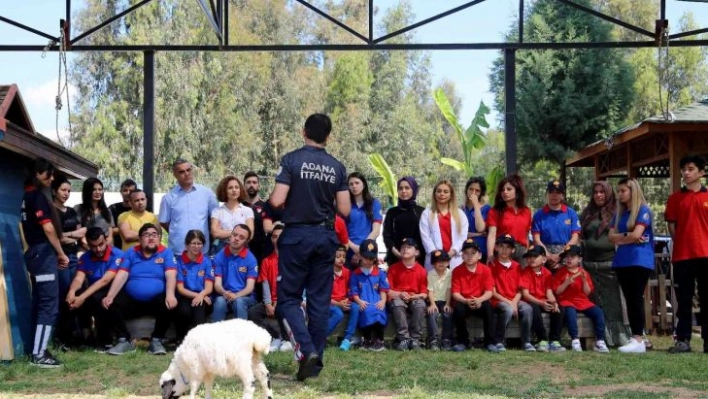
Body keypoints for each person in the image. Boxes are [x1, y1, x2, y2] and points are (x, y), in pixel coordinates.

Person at [268, 113, 350, 381]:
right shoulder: (337, 167)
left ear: (304, 132)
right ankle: (314, 363)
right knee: (318, 302)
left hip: (296, 236)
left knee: (288, 299)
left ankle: (305, 352)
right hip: (325, 238)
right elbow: (345, 208)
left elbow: (278, 199)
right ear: (328, 136)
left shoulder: (292, 160)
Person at [20, 157, 69, 367]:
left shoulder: (26, 196)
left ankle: (37, 349)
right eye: (47, 175)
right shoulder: (37, 197)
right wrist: (60, 253)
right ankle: (39, 355)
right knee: (49, 304)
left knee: (41, 303)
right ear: (37, 174)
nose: (50, 179)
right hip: (43, 253)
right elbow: (48, 228)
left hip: (34, 253)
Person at [101, 223, 177, 356]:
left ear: (159, 238)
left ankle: (156, 341)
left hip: (156, 302)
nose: (151, 238)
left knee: (168, 301)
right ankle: (124, 341)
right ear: (140, 238)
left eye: (154, 235)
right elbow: (122, 274)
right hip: (133, 302)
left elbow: (170, 275)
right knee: (111, 302)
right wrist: (110, 295)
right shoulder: (131, 252)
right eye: (147, 235)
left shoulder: (166, 252)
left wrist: (170, 295)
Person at [579, 181, 631, 348]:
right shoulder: (586, 213)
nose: (599, 195)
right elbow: (581, 236)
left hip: (611, 266)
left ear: (609, 194)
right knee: (594, 303)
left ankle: (618, 337)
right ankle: (597, 337)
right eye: (595, 192)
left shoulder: (618, 212)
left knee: (614, 304)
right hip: (589, 266)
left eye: (602, 192)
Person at [665, 155, 708, 354]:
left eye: (691, 169)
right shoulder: (675, 199)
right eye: (683, 169)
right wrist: (682, 242)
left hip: (706, 255)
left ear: (701, 172)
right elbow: (672, 226)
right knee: (683, 299)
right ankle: (683, 340)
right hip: (682, 256)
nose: (686, 173)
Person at [608, 178, 654, 354]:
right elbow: (611, 237)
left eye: (622, 191)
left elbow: (637, 235)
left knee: (636, 297)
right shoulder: (619, 213)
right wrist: (627, 235)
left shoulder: (643, 210)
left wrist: (624, 237)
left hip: (639, 260)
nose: (619, 194)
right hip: (622, 261)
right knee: (629, 298)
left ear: (632, 191)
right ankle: (635, 337)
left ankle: (637, 338)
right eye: (618, 191)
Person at [66, 227, 123, 351]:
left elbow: (105, 280)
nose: (98, 249)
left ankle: (105, 340)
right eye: (93, 246)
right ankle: (83, 336)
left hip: (115, 292)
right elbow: (78, 279)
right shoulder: (85, 257)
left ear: (106, 240)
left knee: (96, 298)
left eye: (101, 244)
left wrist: (81, 298)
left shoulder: (117, 255)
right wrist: (72, 292)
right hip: (94, 291)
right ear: (87, 243)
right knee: (73, 295)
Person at [553, 245, 609, 353]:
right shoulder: (561, 272)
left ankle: (600, 341)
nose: (569, 259)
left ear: (579, 259)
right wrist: (566, 283)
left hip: (583, 301)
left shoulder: (584, 273)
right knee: (570, 313)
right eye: (567, 257)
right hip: (567, 300)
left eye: (572, 256)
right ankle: (575, 339)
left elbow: (587, 292)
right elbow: (557, 291)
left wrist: (584, 281)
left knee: (598, 312)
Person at [51, 175, 86, 347]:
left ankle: (74, 335)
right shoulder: (51, 211)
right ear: (54, 191)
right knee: (64, 293)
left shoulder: (71, 211)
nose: (66, 194)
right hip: (60, 258)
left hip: (73, 257)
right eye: (63, 190)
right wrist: (72, 235)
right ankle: (60, 336)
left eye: (69, 191)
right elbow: (55, 238)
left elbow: (82, 233)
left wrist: (67, 235)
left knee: (75, 293)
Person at [248, 223, 292, 352]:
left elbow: (290, 285)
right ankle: (275, 336)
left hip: (286, 299)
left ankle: (287, 339)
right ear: (271, 239)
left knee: (282, 307)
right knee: (253, 313)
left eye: (280, 236)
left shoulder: (292, 260)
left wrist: (278, 300)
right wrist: (268, 303)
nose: (277, 239)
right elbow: (265, 283)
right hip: (270, 300)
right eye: (274, 236)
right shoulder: (267, 261)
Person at [159, 158, 218, 254]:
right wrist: (178, 232)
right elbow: (164, 222)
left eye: (188, 170)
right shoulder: (168, 197)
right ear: (175, 175)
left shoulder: (207, 193)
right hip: (178, 251)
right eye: (181, 172)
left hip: (202, 251)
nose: (186, 174)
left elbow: (215, 218)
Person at [489, 234, 534, 352]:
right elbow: (492, 292)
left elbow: (521, 289)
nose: (504, 250)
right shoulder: (491, 266)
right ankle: (499, 341)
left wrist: (514, 302)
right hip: (498, 300)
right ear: (496, 248)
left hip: (515, 299)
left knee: (527, 309)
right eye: (501, 246)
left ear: (513, 250)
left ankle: (526, 342)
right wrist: (510, 303)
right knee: (507, 309)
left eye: (508, 247)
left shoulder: (518, 266)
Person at [450, 239, 495, 353]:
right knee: (458, 309)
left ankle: (490, 342)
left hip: (480, 300)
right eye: (466, 253)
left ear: (479, 255)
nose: (469, 256)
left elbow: (489, 292)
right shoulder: (457, 271)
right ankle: (463, 342)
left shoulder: (486, 270)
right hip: (464, 301)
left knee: (489, 308)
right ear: (462, 255)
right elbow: (455, 293)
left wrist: (480, 299)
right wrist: (465, 301)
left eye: (473, 253)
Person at [519, 245, 565, 352]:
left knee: (559, 308)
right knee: (533, 309)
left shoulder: (547, 273)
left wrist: (553, 302)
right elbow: (525, 294)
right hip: (531, 301)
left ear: (544, 259)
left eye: (535, 256)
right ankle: (542, 339)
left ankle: (555, 340)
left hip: (543, 300)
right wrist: (541, 303)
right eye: (529, 257)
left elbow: (549, 292)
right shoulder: (525, 272)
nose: (531, 259)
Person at [387, 238, 428, 351]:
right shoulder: (393, 268)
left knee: (420, 305)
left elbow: (424, 293)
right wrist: (400, 294)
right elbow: (387, 290)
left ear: (417, 252)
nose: (405, 249)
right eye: (403, 247)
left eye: (409, 247)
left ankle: (415, 339)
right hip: (398, 297)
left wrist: (415, 296)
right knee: (397, 304)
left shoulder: (421, 271)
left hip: (415, 297)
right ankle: (403, 338)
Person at [349, 239, 389, 352]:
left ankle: (379, 340)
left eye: (371, 258)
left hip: (377, 300)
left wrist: (383, 301)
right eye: (366, 257)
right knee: (366, 311)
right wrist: (359, 301)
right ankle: (366, 339)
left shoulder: (380, 273)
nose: (368, 261)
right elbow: (354, 291)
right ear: (360, 256)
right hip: (363, 300)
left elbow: (383, 289)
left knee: (379, 311)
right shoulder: (355, 274)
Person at [419, 179, 469, 270]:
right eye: (439, 191)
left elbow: (463, 237)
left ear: (451, 195)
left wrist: (450, 253)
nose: (442, 194)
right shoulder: (426, 213)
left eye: (446, 192)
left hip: (454, 259)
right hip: (434, 260)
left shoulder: (460, 214)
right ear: (434, 194)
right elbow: (425, 237)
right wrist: (437, 255)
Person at [174, 230, 214, 343]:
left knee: (199, 307)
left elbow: (209, 288)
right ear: (187, 245)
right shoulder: (179, 262)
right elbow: (181, 289)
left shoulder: (206, 262)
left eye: (199, 243)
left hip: (203, 295)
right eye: (193, 243)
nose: (197, 246)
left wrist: (201, 295)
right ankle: (180, 339)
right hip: (185, 295)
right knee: (183, 311)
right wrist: (198, 295)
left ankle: (199, 342)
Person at [532, 180, 581, 270]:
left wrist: (561, 254)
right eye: (551, 192)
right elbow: (536, 239)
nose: (554, 195)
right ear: (547, 194)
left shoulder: (571, 213)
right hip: (544, 255)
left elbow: (575, 237)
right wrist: (548, 255)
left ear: (562, 195)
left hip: (567, 254)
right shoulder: (539, 214)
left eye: (558, 192)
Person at [212, 224, 258, 321]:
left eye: (241, 237)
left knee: (239, 302)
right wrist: (225, 293)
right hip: (225, 294)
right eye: (235, 235)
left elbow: (250, 287)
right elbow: (217, 284)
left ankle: (241, 334)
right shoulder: (219, 256)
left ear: (246, 241)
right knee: (220, 301)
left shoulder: (251, 259)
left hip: (245, 296)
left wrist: (236, 295)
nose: (236, 238)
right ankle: (215, 333)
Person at [486, 174, 532, 266]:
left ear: (517, 191)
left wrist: (527, 252)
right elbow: (491, 234)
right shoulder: (495, 211)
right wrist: (490, 254)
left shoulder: (526, 211)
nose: (505, 192)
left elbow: (526, 234)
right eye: (502, 190)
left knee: (521, 279)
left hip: (521, 252)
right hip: (502, 249)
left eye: (509, 189)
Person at [382, 177, 425, 266]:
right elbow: (387, 235)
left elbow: (426, 236)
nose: (403, 191)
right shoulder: (392, 212)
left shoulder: (422, 212)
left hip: (418, 260)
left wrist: (417, 253)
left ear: (414, 190)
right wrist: (397, 253)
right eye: (400, 188)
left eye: (407, 188)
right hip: (396, 258)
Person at [345, 172, 383, 267]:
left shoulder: (374, 203)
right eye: (351, 184)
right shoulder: (344, 205)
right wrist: (354, 248)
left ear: (364, 184)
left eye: (357, 183)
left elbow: (376, 231)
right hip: (347, 253)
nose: (354, 186)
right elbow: (341, 231)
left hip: (368, 254)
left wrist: (362, 250)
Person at [211, 176, 255, 253]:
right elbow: (215, 233)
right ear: (224, 191)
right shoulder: (217, 211)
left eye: (236, 187)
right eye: (230, 188)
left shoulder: (247, 211)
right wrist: (240, 234)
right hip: (221, 249)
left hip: (242, 249)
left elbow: (250, 235)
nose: (234, 190)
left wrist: (224, 232)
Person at [426, 250, 453, 351]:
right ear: (433, 263)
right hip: (434, 300)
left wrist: (448, 304)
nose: (441, 263)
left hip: (446, 300)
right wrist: (432, 304)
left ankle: (446, 340)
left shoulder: (450, 273)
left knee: (447, 314)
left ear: (448, 262)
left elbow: (449, 290)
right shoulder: (430, 274)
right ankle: (433, 340)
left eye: (444, 261)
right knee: (432, 314)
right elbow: (430, 291)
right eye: (438, 261)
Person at [75, 177, 114, 247]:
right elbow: (80, 236)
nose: (98, 192)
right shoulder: (78, 209)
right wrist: (92, 248)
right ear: (87, 191)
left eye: (100, 189)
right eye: (94, 190)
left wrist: (104, 247)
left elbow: (110, 235)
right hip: (87, 248)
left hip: (106, 248)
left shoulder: (107, 211)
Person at [327, 245, 354, 346]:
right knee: (338, 314)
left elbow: (350, 289)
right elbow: (325, 296)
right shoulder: (326, 272)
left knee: (355, 307)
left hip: (343, 301)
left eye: (344, 256)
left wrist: (347, 299)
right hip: (331, 303)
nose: (341, 259)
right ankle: (320, 337)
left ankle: (347, 339)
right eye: (338, 256)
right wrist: (338, 304)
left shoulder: (347, 272)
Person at [462, 177, 491, 263]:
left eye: (477, 190)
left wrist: (476, 205)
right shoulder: (461, 209)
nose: (473, 193)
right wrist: (478, 234)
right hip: (465, 251)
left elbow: (480, 228)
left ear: (481, 193)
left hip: (481, 251)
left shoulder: (486, 208)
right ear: (466, 190)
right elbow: (460, 233)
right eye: (471, 189)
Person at [242, 171, 268, 263]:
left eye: (254, 182)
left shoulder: (266, 207)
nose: (251, 185)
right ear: (244, 185)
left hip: (261, 253)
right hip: (241, 251)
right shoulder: (238, 206)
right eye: (248, 182)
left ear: (258, 186)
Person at [108, 179, 137, 250]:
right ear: (120, 192)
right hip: (117, 249)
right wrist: (126, 228)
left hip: (136, 250)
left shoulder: (139, 209)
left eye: (131, 191)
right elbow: (109, 230)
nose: (128, 193)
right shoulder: (112, 209)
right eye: (125, 190)